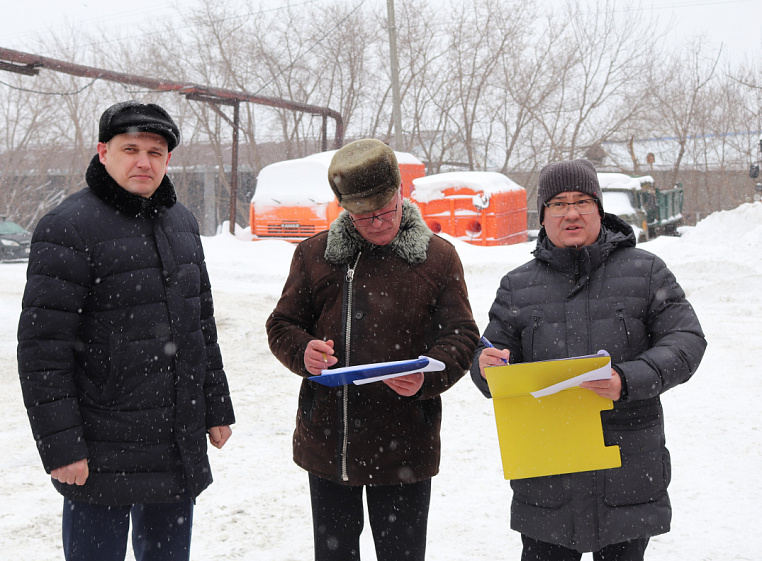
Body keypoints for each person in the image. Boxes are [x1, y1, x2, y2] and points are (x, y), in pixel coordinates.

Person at [17, 100, 236, 561]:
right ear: (104, 152)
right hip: (100, 447)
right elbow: (43, 350)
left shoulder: (182, 223)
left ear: (168, 159)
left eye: (155, 152)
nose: (144, 162)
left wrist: (216, 406)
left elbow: (200, 325)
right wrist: (62, 447)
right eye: (130, 149)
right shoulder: (68, 226)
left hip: (173, 442)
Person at [470, 159, 706, 561]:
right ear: (543, 215)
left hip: (626, 466)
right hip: (548, 471)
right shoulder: (517, 286)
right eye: (559, 203)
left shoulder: (646, 271)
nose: (571, 213)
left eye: (582, 201)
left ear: (599, 209)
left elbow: (686, 341)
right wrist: (485, 365)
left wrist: (626, 380)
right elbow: (490, 352)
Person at [266, 138, 479, 561]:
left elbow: (462, 334)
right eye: (364, 216)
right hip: (331, 442)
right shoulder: (314, 255)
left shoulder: (438, 258)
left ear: (400, 193)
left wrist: (427, 377)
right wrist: (303, 350)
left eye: (385, 211)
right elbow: (281, 325)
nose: (378, 224)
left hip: (405, 443)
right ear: (344, 208)